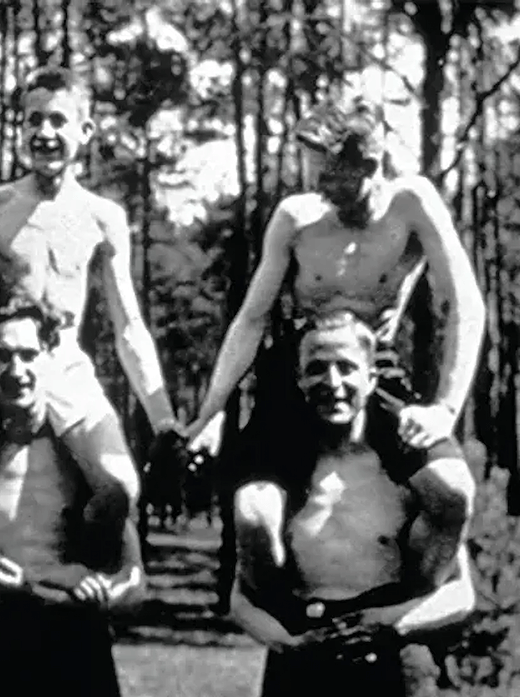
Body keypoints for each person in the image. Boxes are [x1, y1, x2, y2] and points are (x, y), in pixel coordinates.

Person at [0, 65, 185, 586]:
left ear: (85, 131)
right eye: (33, 121)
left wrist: (162, 419)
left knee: (120, 488)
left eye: (57, 121)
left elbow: (129, 326)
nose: (44, 133)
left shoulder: (102, 216)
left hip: (62, 364)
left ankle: (74, 578)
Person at [184, 93, 483, 594]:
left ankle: (406, 611)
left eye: (329, 176)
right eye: (312, 174)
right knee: (254, 517)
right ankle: (286, 619)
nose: (316, 188)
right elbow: (251, 320)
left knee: (452, 493)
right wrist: (210, 413)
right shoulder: (295, 218)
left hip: (372, 367)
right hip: (298, 368)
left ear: (370, 164)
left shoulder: (411, 204)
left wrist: (445, 409)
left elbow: (466, 307)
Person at [228, 311, 475, 697]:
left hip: (393, 662)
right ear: (298, 380)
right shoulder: (281, 478)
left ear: (372, 379)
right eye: (316, 369)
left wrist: (391, 625)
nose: (332, 383)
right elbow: (240, 600)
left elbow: (461, 594)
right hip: (304, 662)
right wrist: (287, 642)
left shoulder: (405, 472)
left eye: (346, 367)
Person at [0, 296, 144, 697]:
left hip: (74, 646)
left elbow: (134, 587)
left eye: (28, 355)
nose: (16, 371)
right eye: (2, 356)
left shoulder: (84, 461)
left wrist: (92, 593)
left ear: (49, 357)